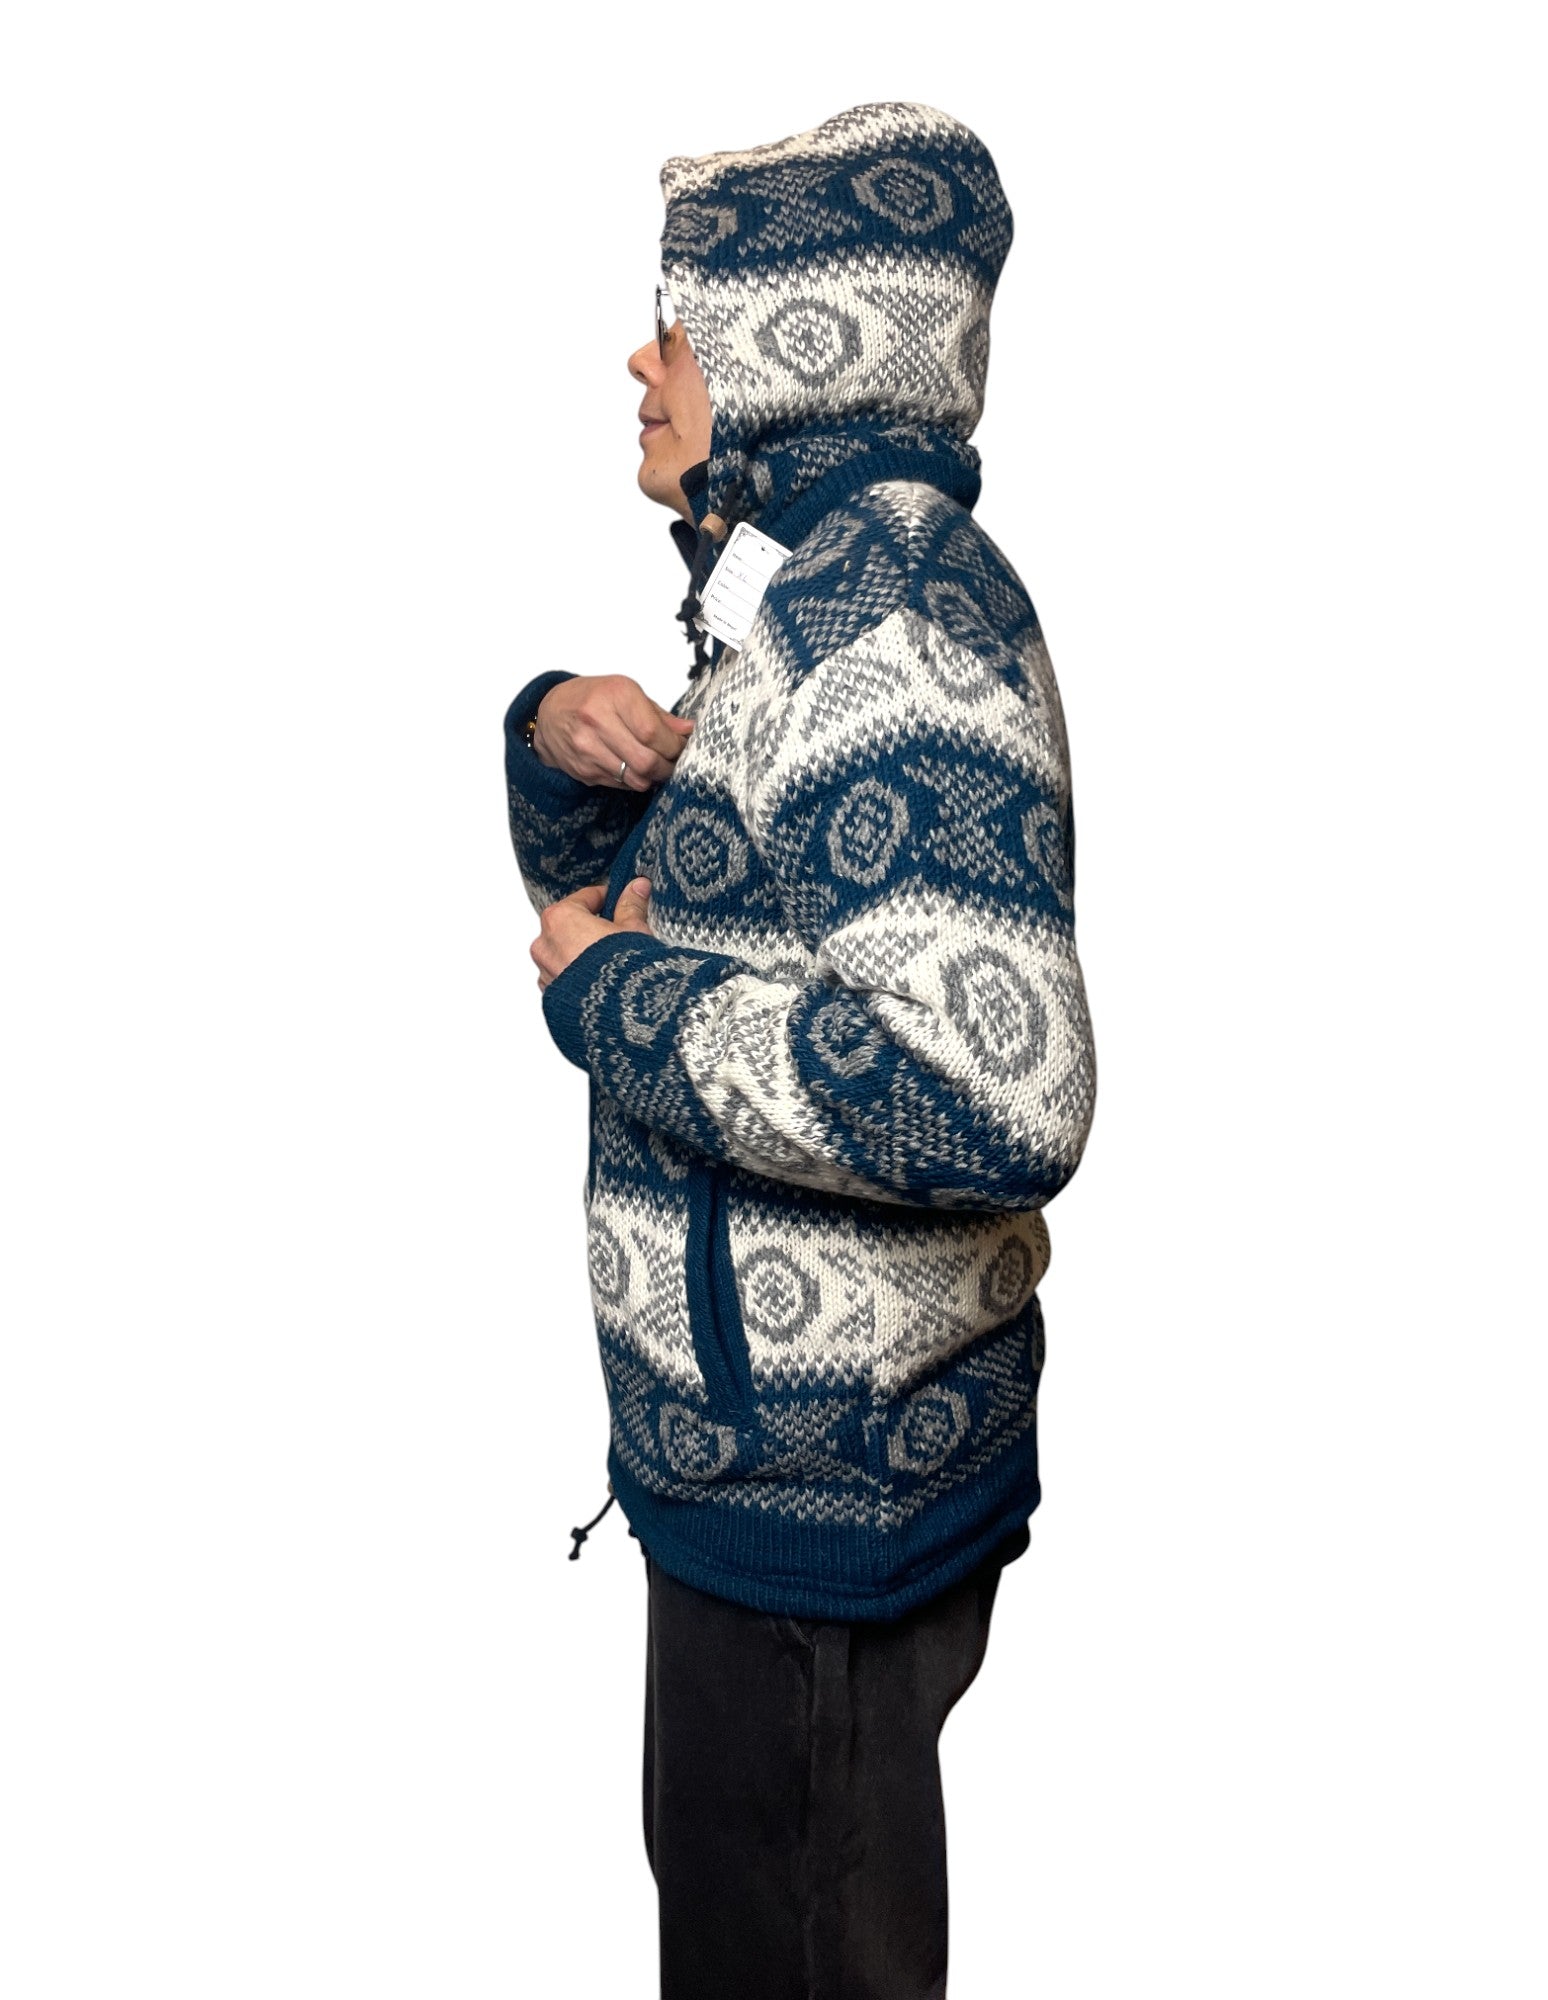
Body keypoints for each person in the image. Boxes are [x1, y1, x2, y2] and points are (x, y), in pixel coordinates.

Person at [502, 101, 1096, 2000]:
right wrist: (559, 741)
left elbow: (991, 1095)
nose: (642, 363)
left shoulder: (890, 628)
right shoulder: (812, 600)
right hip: (774, 1460)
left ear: (784, 352)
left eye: (678, 325)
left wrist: (609, 1002)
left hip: (821, 1491)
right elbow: (710, 910)